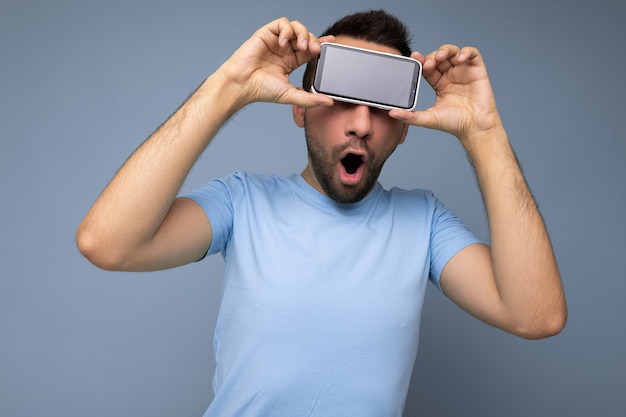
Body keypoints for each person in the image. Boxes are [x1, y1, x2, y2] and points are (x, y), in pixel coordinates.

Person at [76, 9, 567, 417]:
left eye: (382, 109)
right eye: (344, 99)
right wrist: (229, 85)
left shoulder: (425, 224)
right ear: (300, 107)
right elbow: (107, 243)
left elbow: (537, 315)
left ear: (404, 129)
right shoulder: (242, 202)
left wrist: (484, 131)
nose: (360, 125)